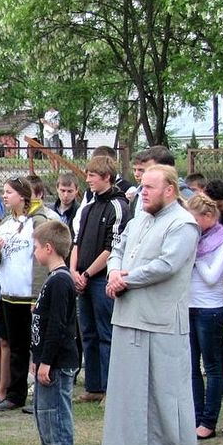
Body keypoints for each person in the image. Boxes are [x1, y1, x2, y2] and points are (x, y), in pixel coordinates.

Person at [102, 165, 200, 445]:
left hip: (162, 318)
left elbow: (167, 265)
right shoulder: (139, 217)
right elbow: (117, 249)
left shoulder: (183, 224)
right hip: (129, 312)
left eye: (149, 187)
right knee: (127, 386)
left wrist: (126, 280)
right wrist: (113, 272)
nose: (142, 192)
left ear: (169, 190)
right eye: (142, 186)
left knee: (166, 389)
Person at [70, 154, 129, 403]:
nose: (88, 179)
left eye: (92, 175)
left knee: (107, 334)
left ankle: (109, 388)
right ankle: (93, 386)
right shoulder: (88, 208)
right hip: (82, 278)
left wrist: (87, 273)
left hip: (101, 279)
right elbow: (77, 242)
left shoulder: (118, 206)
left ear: (106, 177)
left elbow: (112, 248)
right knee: (88, 333)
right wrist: (73, 271)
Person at [29, 220, 80, 445]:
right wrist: (36, 359)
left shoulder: (61, 281)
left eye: (36, 247)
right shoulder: (53, 279)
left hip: (58, 362)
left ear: (48, 248)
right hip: (46, 361)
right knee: (44, 414)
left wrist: (47, 361)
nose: (34, 252)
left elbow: (58, 326)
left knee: (56, 414)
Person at [0, 177, 45, 411]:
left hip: (28, 295)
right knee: (15, 346)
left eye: (9, 192)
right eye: (4, 192)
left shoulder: (38, 221)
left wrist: (37, 294)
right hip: (8, 294)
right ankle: (15, 394)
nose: (4, 196)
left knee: (36, 345)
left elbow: (42, 261)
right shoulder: (5, 224)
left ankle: (42, 395)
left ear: (22, 196)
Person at [186, 195, 223, 439]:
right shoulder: (196, 239)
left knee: (212, 367)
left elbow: (213, 277)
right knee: (191, 365)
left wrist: (196, 257)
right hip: (190, 306)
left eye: (194, 220)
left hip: (210, 309)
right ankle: (195, 416)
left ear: (208, 217)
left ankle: (208, 421)